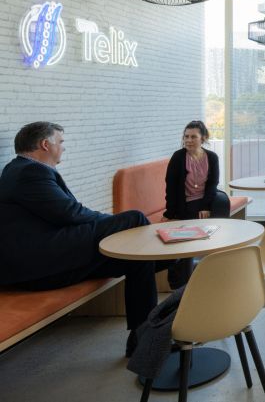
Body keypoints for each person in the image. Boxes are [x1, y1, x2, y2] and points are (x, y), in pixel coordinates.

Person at [0, 122, 169, 357]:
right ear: (45, 144)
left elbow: (63, 215)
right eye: (61, 142)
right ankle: (162, 257)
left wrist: (106, 224)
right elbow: (71, 213)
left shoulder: (19, 170)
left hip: (47, 258)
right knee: (134, 219)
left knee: (136, 260)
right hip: (39, 266)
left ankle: (142, 339)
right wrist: (109, 222)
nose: (63, 148)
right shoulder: (29, 173)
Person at [164, 120, 230, 221]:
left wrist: (205, 206)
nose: (188, 140)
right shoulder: (178, 157)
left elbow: (213, 184)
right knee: (198, 212)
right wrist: (169, 214)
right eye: (186, 136)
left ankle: (217, 234)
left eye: (193, 137)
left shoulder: (212, 157)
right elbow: (171, 187)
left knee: (222, 201)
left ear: (203, 138)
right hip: (187, 201)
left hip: (207, 198)